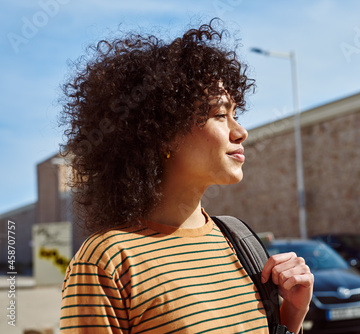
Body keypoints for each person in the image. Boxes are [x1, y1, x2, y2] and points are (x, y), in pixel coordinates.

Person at [58, 19, 313, 334]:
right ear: (164, 131)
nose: (241, 131)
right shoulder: (106, 263)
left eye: (237, 114)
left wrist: (292, 315)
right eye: (220, 115)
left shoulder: (238, 241)